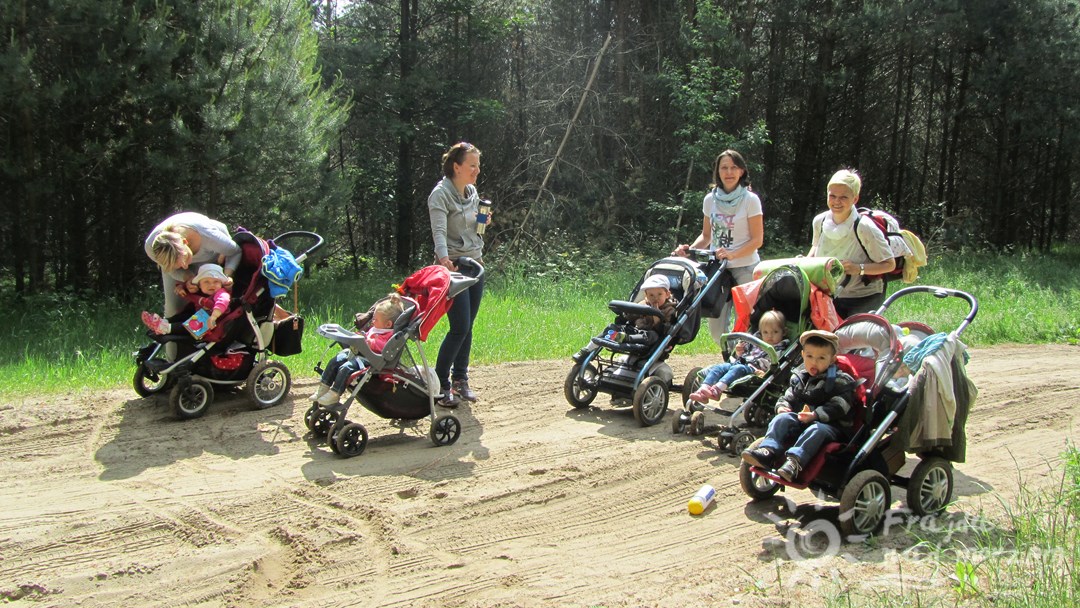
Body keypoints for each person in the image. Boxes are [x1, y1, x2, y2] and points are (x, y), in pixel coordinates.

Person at [740, 330, 859, 482]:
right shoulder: (800, 376)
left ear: (832, 360)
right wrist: (783, 406)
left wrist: (816, 415)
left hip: (831, 426)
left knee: (816, 429)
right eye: (809, 356)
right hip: (802, 419)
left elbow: (840, 406)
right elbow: (788, 396)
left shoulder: (841, 380)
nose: (814, 362)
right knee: (781, 418)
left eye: (821, 358)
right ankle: (768, 451)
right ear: (803, 355)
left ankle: (794, 463)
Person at [672, 149, 764, 346]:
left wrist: (732, 254)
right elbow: (707, 236)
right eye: (724, 168)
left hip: (745, 267)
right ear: (717, 171)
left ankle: (749, 361)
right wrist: (688, 252)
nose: (729, 172)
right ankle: (728, 360)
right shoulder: (710, 199)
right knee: (716, 327)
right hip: (718, 269)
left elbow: (757, 240)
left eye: (733, 167)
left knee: (748, 321)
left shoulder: (751, 200)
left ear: (742, 171)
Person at [428, 142, 489, 408]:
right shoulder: (439, 195)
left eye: (478, 165)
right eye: (472, 165)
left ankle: (460, 379)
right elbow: (439, 232)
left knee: (469, 326)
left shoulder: (472, 191)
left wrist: (484, 221)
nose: (477, 170)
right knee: (459, 327)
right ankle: (441, 384)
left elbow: (475, 229)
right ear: (457, 166)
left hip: (474, 263)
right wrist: (444, 261)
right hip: (452, 266)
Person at [144, 212, 241, 356]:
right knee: (173, 308)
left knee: (209, 308)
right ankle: (173, 363)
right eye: (179, 264)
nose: (184, 266)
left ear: (186, 243)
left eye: (184, 260)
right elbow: (169, 269)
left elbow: (235, 251)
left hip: (210, 258)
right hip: (173, 263)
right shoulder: (153, 247)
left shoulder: (209, 236)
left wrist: (226, 276)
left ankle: (203, 358)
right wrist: (187, 277)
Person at [808, 170, 896, 319]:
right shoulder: (820, 221)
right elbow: (815, 247)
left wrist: (858, 269)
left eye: (843, 197)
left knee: (854, 339)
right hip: (829, 294)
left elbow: (889, 264)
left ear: (855, 199)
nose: (836, 201)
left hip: (864, 296)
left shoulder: (864, 227)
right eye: (832, 196)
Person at [310, 294, 406, 406]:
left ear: (388, 324)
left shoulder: (390, 336)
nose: (372, 321)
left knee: (346, 367)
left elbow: (383, 347)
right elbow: (366, 336)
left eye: (375, 319)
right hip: (359, 354)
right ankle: (324, 387)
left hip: (372, 360)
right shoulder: (376, 328)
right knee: (337, 359)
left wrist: (370, 343)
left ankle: (335, 393)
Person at [688, 310, 788, 403]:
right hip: (739, 363)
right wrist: (739, 351)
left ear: (783, 332)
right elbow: (742, 355)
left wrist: (765, 371)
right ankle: (703, 389)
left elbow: (773, 365)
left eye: (775, 332)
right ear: (761, 332)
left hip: (754, 370)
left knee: (737, 368)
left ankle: (717, 390)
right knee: (719, 367)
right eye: (766, 332)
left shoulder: (779, 349)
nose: (770, 336)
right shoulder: (755, 341)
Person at [140, 264, 232, 338]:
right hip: (198, 315)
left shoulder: (221, 293)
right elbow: (187, 287)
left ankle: (166, 327)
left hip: (211, 322)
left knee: (193, 323)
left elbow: (222, 302)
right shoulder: (200, 291)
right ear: (199, 285)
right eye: (206, 282)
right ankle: (165, 321)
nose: (211, 285)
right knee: (185, 314)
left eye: (216, 282)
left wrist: (214, 316)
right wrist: (181, 288)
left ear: (221, 284)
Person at [608, 274, 678, 345]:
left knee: (653, 336)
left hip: (650, 335)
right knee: (612, 327)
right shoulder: (643, 304)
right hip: (636, 330)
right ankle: (599, 343)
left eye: (659, 294)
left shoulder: (669, 309)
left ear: (667, 294)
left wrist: (656, 316)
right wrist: (627, 313)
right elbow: (631, 316)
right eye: (651, 295)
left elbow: (665, 330)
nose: (655, 298)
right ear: (646, 295)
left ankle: (627, 339)